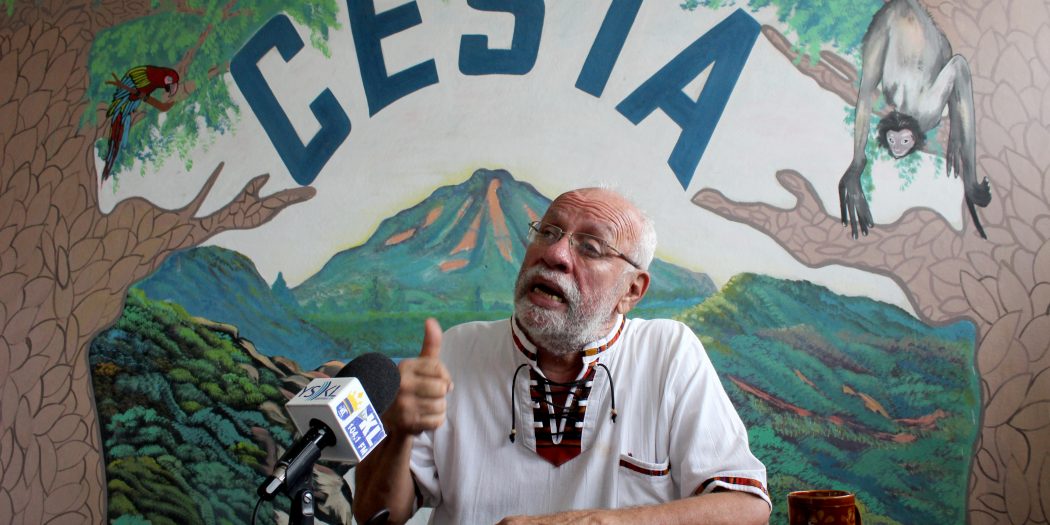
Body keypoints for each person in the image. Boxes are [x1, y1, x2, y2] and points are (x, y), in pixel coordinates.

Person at [354, 188, 771, 524]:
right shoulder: (457, 350)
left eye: (590, 247)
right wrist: (397, 431)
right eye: (548, 232)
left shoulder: (668, 352)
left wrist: (599, 522)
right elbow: (375, 516)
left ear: (631, 291)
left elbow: (746, 507)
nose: (554, 255)